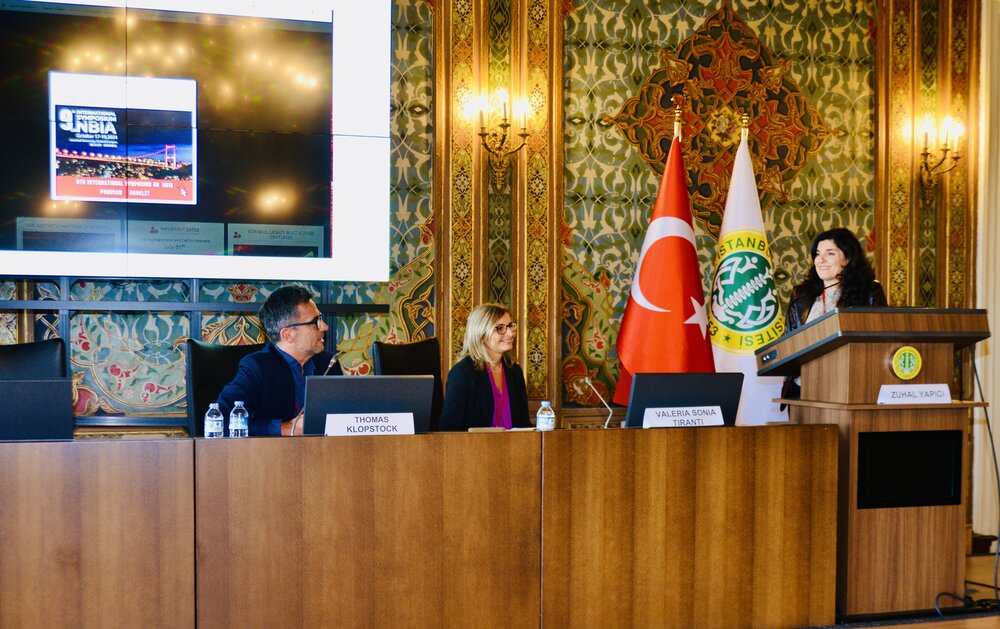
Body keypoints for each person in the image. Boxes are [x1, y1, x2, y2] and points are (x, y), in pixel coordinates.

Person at [216, 284, 341, 436]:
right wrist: (285, 428)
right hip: (272, 456)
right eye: (316, 322)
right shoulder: (257, 367)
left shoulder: (328, 363)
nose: (325, 327)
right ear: (288, 335)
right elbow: (221, 421)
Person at [782, 227, 887, 400]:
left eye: (830, 253)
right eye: (817, 254)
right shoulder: (801, 295)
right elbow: (788, 342)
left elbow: (879, 342)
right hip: (802, 389)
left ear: (848, 258)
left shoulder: (869, 292)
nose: (820, 260)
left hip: (849, 389)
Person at [439, 303, 530, 430]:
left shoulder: (514, 371)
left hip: (514, 447)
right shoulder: (462, 373)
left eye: (510, 326)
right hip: (475, 448)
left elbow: (524, 424)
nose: (510, 333)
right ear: (481, 336)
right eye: (500, 328)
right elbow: (449, 428)